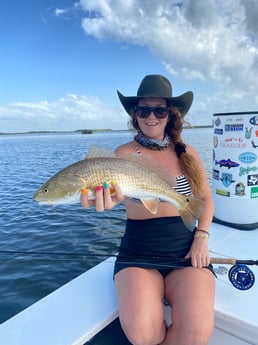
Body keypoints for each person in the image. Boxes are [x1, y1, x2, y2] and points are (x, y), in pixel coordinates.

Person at [80, 74, 215, 345]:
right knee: (143, 333)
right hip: (138, 251)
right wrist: (101, 200)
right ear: (135, 114)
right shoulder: (123, 154)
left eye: (159, 110)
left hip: (185, 251)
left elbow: (206, 200)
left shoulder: (187, 151)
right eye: (143, 110)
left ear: (170, 114)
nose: (151, 116)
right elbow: (111, 193)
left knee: (196, 332)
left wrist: (201, 237)